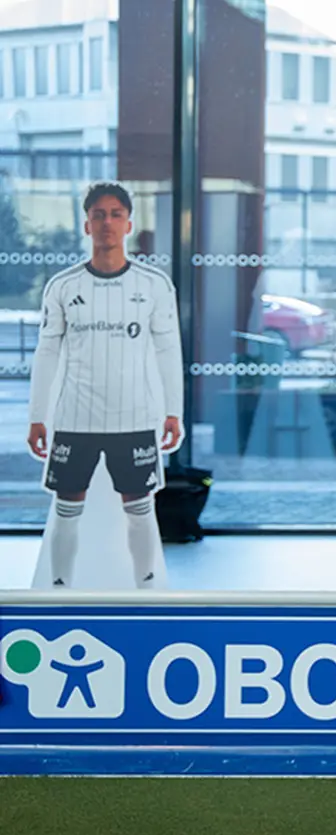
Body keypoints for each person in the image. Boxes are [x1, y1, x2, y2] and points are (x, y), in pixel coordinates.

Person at [25, 182, 182, 589]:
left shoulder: (153, 285)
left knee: (140, 508)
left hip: (134, 418)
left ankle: (146, 591)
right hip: (75, 419)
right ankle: (59, 590)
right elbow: (46, 353)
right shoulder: (63, 287)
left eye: (115, 214)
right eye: (99, 215)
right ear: (86, 224)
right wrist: (37, 417)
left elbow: (168, 351)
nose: (107, 223)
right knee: (66, 507)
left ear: (129, 224)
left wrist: (173, 411)